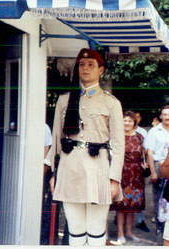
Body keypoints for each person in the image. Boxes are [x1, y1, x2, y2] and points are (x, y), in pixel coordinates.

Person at [46, 48, 125, 246]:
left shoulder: (111, 103)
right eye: (82, 64)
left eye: (91, 65)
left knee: (97, 231)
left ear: (101, 70)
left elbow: (118, 144)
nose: (85, 68)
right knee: (75, 231)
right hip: (69, 168)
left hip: (98, 168)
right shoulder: (64, 100)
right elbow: (56, 139)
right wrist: (54, 174)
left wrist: (115, 179)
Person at [114, 111, 146, 245]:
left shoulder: (140, 137)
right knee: (121, 206)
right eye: (124, 120)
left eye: (130, 121)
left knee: (133, 205)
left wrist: (145, 164)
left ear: (134, 123)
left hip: (137, 175)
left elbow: (144, 154)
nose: (127, 123)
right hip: (121, 174)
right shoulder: (116, 137)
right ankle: (120, 234)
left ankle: (129, 232)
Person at [145, 105, 169, 243]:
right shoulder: (154, 131)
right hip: (160, 169)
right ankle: (161, 237)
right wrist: (153, 172)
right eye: (164, 114)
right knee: (161, 204)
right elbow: (150, 152)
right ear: (160, 116)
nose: (167, 117)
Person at [134, 112, 150, 233]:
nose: (136, 119)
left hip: (138, 167)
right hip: (124, 167)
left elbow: (146, 150)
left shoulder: (143, 132)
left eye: (138, 116)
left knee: (139, 194)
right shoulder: (121, 128)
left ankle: (140, 220)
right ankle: (118, 220)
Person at [40, 123, 52, 244]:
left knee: (39, 206)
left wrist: (41, 174)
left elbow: (46, 153)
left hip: (38, 175)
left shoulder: (44, 128)